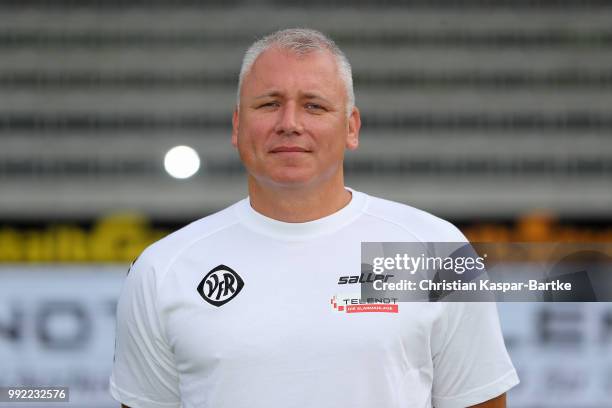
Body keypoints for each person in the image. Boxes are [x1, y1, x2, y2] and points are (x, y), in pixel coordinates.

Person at [110, 28, 519, 408]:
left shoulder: (433, 249)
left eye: (314, 106)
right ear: (238, 125)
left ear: (351, 128)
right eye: (269, 104)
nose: (289, 124)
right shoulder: (164, 269)